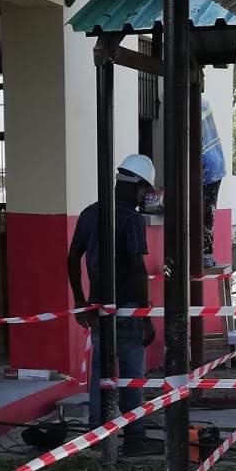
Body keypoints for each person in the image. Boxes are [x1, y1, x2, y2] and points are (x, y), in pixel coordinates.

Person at [68, 154, 157, 454]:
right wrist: (145, 317)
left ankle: (97, 435)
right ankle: (134, 436)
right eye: (145, 191)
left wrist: (80, 300)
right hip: (127, 309)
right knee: (132, 372)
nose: (145, 197)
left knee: (100, 373)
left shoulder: (89, 213)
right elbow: (137, 270)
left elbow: (72, 258)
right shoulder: (132, 219)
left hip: (97, 308)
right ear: (138, 187)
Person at [199, 97, 226, 271]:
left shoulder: (194, 106)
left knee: (205, 212)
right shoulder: (202, 104)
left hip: (207, 168)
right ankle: (205, 254)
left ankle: (205, 254)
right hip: (214, 166)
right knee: (208, 211)